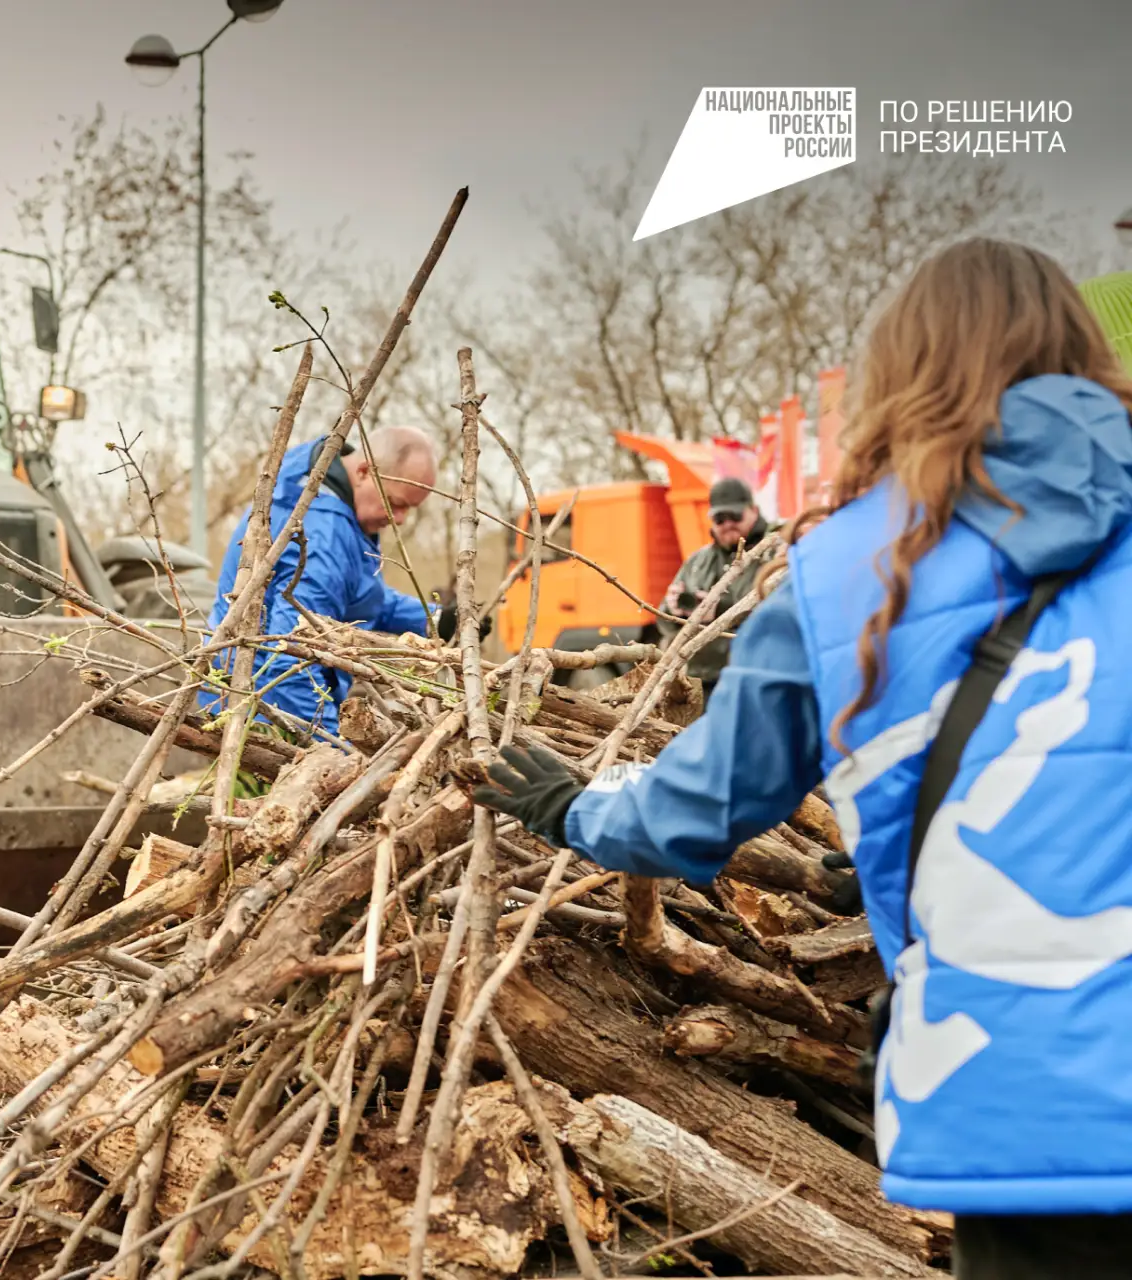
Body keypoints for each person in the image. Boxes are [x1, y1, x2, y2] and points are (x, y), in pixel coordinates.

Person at [471, 238, 1132, 1278]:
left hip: (1021, 1109)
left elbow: (695, 810)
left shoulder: (849, 567)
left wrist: (570, 807)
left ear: (906, 373)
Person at [203, 426, 449, 738]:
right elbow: (289, 659)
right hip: (260, 710)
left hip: (248, 694)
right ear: (364, 471)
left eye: (409, 509)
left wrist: (435, 619)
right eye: (395, 503)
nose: (400, 518)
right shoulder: (324, 535)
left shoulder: (326, 493)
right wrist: (331, 744)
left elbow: (357, 596)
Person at [656, 476, 770, 702]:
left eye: (735, 515)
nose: (727, 524)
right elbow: (663, 621)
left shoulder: (775, 553)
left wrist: (719, 610)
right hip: (700, 685)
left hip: (753, 680)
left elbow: (780, 614)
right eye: (719, 518)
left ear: (754, 510)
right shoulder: (697, 560)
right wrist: (673, 611)